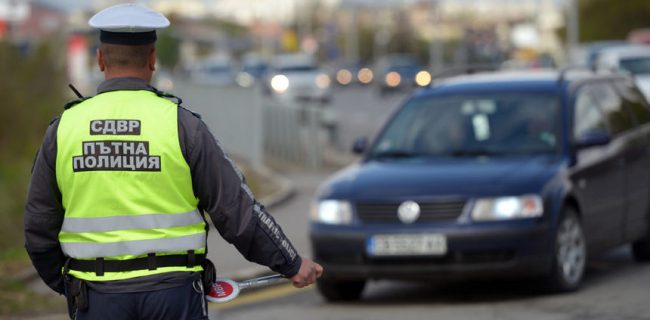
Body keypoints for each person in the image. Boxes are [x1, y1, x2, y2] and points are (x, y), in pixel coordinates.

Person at [23, 3, 322, 320]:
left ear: (99, 60)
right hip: (174, 297)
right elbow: (236, 210)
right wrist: (290, 262)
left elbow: (37, 227)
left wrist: (71, 285)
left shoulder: (64, 130)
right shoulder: (183, 126)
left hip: (96, 298)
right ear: (153, 59)